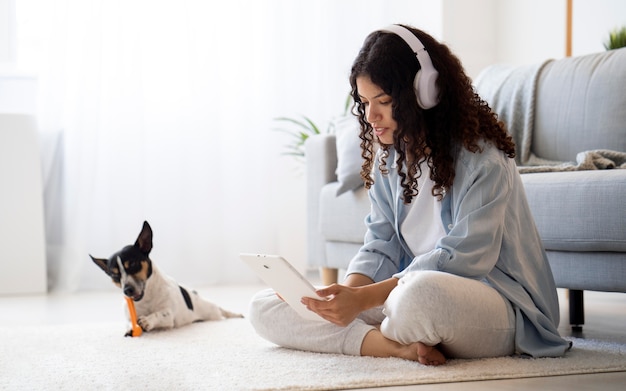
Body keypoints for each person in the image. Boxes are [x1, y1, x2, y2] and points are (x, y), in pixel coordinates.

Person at [249, 24, 571, 365]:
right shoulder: (388, 161)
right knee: (266, 306)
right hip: (401, 296)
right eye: (365, 102)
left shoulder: (484, 161)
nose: (371, 116)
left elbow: (462, 260)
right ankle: (394, 347)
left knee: (418, 299)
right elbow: (379, 245)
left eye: (384, 102)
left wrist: (362, 301)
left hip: (497, 303)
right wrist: (346, 296)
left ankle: (377, 335)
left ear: (424, 93)